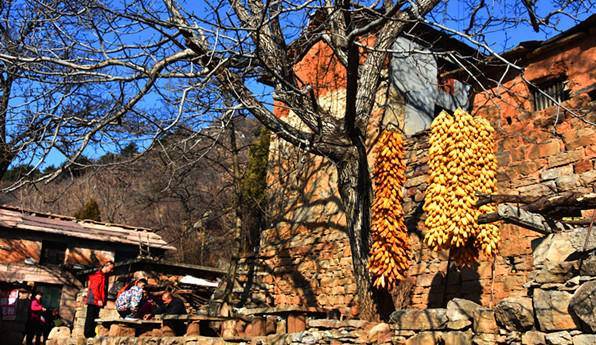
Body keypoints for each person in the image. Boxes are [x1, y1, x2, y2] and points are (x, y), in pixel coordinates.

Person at [84, 260, 114, 338]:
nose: (111, 270)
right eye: (110, 268)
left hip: (96, 300)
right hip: (93, 300)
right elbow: (95, 289)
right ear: (106, 266)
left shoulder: (103, 276)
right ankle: (88, 334)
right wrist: (99, 299)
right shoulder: (98, 275)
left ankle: (91, 334)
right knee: (90, 317)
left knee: (94, 317)